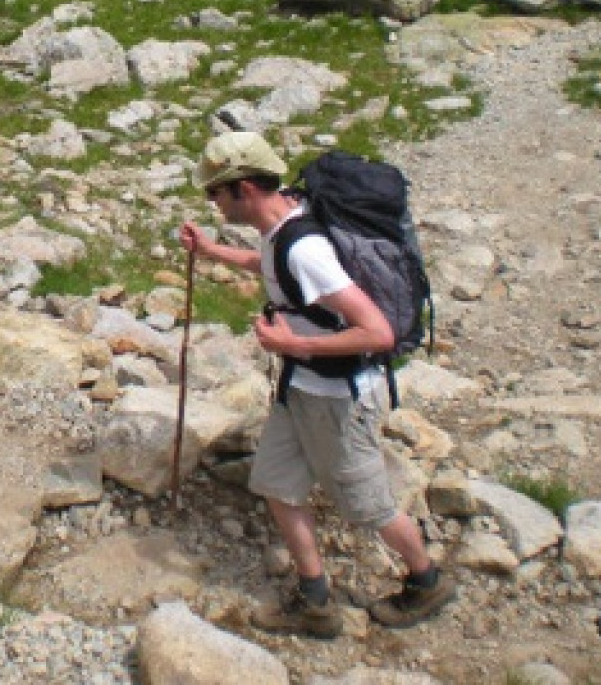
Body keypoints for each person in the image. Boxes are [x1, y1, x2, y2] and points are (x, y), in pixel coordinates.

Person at [179, 131, 456, 637]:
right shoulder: (282, 223)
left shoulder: (306, 249)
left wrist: (293, 345)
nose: (212, 201)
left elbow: (378, 332)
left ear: (244, 188)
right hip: (302, 389)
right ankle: (315, 601)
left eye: (215, 191)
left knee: (367, 506)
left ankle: (426, 580)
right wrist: (213, 250)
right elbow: (269, 264)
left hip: (340, 398)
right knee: (276, 483)